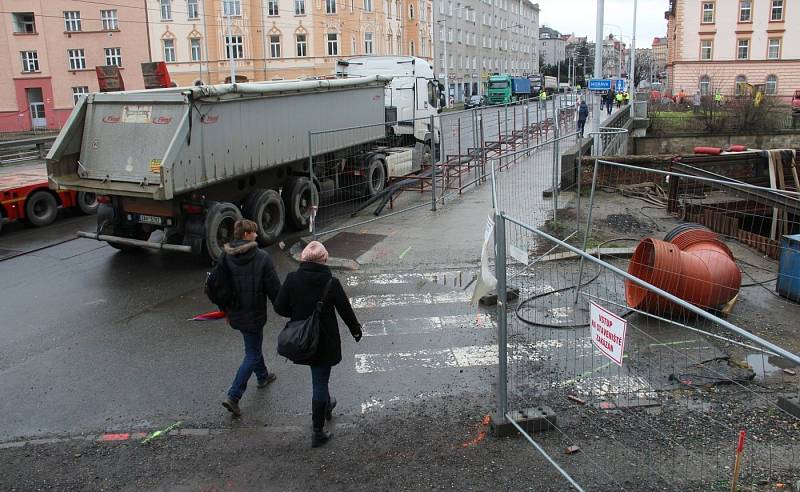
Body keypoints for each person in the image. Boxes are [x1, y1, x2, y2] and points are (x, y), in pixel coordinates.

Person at [274, 241, 362, 448]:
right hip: (324, 340)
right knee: (320, 382)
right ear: (324, 259)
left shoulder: (292, 279)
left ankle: (326, 406)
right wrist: (355, 330)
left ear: (303, 259)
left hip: (302, 338)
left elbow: (279, 307)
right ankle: (317, 431)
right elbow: (345, 311)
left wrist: (299, 314)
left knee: (319, 378)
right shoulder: (331, 283)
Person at [221, 219, 282, 418]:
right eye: (254, 232)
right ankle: (234, 395)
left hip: (235, 313)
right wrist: (285, 308)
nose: (257, 235)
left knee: (252, 346)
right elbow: (274, 288)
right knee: (252, 353)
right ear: (246, 234)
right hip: (254, 314)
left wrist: (225, 311)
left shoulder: (226, 256)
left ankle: (263, 376)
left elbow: (218, 286)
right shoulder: (261, 257)